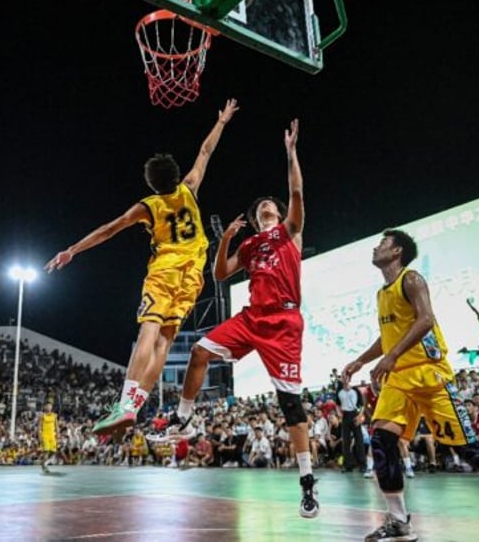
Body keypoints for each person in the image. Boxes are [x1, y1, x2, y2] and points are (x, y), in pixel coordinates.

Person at [342, 229, 479, 542]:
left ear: (397, 251)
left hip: (429, 374)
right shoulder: (381, 293)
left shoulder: (411, 279)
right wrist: (362, 360)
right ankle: (398, 520)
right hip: (400, 380)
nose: (376, 247)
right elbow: (388, 336)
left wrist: (390, 357)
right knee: (381, 442)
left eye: (383, 243)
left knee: (469, 450)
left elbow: (426, 320)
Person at [45, 99, 240, 436]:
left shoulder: (148, 206)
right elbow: (205, 152)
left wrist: (72, 250)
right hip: (194, 276)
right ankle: (134, 405)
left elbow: (109, 229)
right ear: (177, 176)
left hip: (165, 270)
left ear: (151, 184)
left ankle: (125, 405)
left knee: (147, 331)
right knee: (164, 341)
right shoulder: (190, 188)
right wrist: (221, 122)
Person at [156, 119, 319, 518]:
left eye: (271, 203)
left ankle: (307, 481)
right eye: (261, 203)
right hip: (251, 318)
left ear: (278, 213)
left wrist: (291, 152)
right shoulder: (249, 245)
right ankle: (184, 417)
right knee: (197, 352)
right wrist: (227, 238)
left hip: (283, 323)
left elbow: (295, 190)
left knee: (290, 405)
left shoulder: (288, 234)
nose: (266, 203)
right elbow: (219, 275)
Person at [336, 375, 365, 472]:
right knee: (345, 441)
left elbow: (362, 405)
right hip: (345, 416)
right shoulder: (339, 391)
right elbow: (337, 404)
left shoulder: (355, 390)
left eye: (346, 377)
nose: (344, 379)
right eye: (343, 377)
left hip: (355, 414)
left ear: (349, 379)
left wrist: (359, 416)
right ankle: (348, 465)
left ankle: (362, 465)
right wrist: (339, 413)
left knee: (359, 440)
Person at [39, 402, 59, 473]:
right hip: (45, 435)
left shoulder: (54, 415)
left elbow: (56, 425)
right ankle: (44, 466)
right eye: (47, 406)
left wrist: (58, 434)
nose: (48, 407)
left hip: (52, 436)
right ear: (45, 407)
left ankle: (44, 463)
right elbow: (39, 427)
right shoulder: (42, 416)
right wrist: (40, 436)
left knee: (53, 451)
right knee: (46, 451)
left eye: (50, 406)